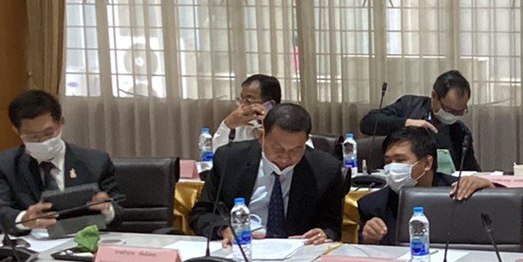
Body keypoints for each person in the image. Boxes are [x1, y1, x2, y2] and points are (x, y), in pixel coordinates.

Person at [189, 102, 345, 246]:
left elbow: (332, 226)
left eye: (295, 150)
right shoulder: (229, 159)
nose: (285, 157)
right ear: (261, 137)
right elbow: (202, 214)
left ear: (305, 142)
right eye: (277, 148)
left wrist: (323, 234)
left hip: (298, 251)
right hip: (242, 247)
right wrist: (223, 229)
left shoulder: (326, 169)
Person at [0, 90, 121, 234]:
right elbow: (0, 211)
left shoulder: (95, 161)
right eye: (32, 136)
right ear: (17, 131)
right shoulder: (6, 165)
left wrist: (107, 209)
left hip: (85, 238)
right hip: (35, 242)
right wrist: (24, 219)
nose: (42, 141)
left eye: (48, 133)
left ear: (60, 123)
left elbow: (120, 210)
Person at [356, 128, 495, 245]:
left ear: (427, 163)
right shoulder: (373, 205)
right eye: (388, 161)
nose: (392, 167)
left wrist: (488, 189)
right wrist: (368, 239)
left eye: (400, 160)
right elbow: (366, 252)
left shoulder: (459, 189)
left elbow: (498, 225)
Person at [360, 69, 480, 173]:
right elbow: (367, 123)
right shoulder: (409, 106)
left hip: (440, 186)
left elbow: (470, 170)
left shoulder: (460, 131)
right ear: (434, 96)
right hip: (400, 178)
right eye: (448, 109)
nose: (452, 115)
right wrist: (406, 123)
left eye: (459, 111)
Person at [212, 73, 282, 151]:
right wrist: (227, 125)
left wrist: (269, 128)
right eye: (241, 99)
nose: (242, 106)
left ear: (270, 105)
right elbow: (217, 154)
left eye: (248, 100)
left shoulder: (285, 127)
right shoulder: (241, 123)